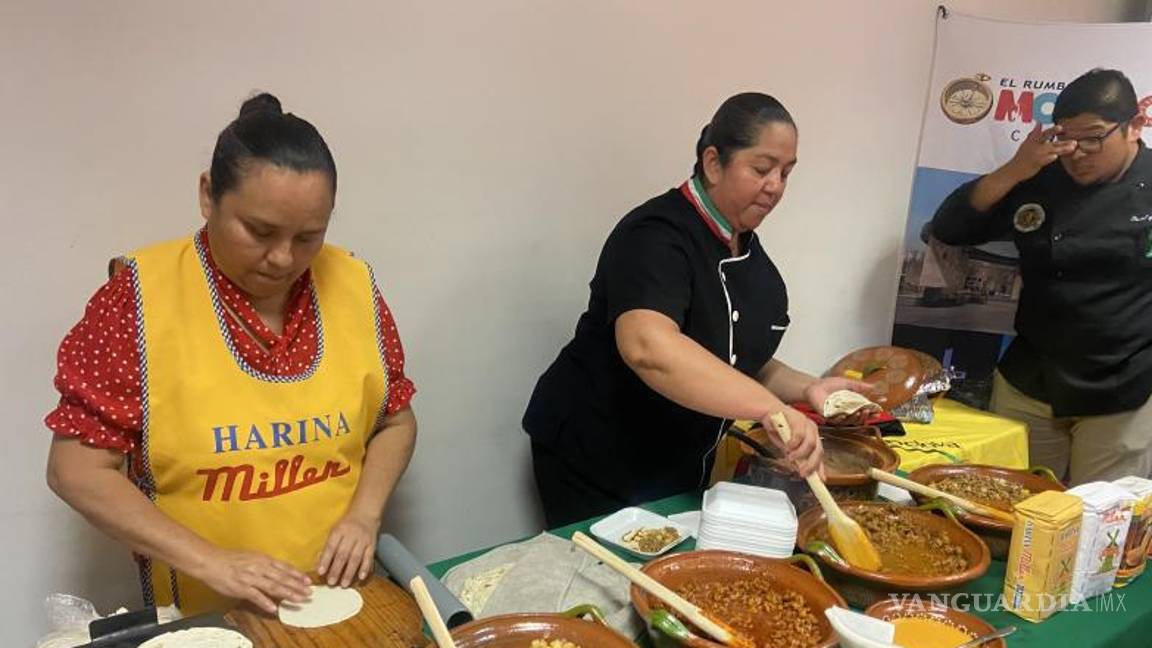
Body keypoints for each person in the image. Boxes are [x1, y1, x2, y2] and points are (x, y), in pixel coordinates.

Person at [44, 93, 418, 615]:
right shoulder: (140, 299)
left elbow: (394, 423)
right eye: (259, 232)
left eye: (309, 236)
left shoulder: (351, 284)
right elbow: (76, 470)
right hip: (208, 607)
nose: (283, 258)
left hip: (339, 600)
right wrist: (214, 562)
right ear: (207, 194)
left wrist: (365, 515)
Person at [523, 93, 872, 527]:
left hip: (673, 461)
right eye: (762, 169)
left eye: (786, 172)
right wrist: (767, 409)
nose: (777, 186)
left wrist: (808, 390)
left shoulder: (749, 255)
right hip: (598, 452)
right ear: (713, 163)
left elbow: (741, 359)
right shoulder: (654, 236)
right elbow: (648, 347)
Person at [931, 68, 1152, 484]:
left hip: (1120, 388)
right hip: (1030, 379)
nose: (1079, 153)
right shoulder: (1042, 175)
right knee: (1012, 506)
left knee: (1099, 521)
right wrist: (1015, 168)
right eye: (1067, 138)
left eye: (1094, 137)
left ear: (1134, 127)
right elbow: (950, 228)